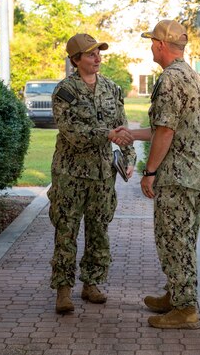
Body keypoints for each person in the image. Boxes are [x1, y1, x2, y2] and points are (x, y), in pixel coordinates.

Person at [122, 19, 200, 329]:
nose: (149, 47)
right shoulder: (193, 77)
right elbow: (168, 127)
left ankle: (185, 310)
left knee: (173, 239)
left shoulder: (170, 79)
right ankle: (176, 295)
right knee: (182, 238)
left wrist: (150, 172)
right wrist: (132, 134)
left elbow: (166, 131)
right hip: (194, 174)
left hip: (176, 176)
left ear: (161, 45)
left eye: (151, 42)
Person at [47, 33, 136, 314]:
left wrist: (129, 157)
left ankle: (92, 283)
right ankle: (63, 289)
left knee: (99, 231)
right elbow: (70, 131)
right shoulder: (65, 91)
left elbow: (123, 129)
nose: (97, 58)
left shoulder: (112, 88)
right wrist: (106, 134)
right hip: (70, 175)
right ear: (76, 60)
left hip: (102, 175)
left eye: (99, 53)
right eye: (90, 54)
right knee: (66, 231)